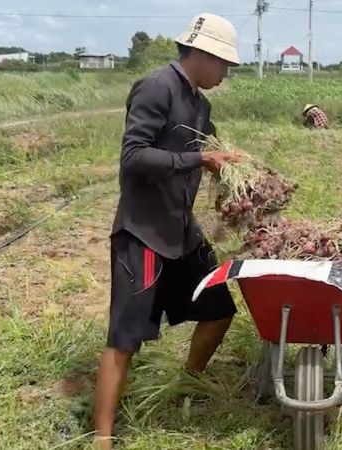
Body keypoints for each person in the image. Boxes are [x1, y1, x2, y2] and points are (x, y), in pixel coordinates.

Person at [91, 12, 242, 450]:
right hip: (142, 232)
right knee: (124, 338)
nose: (226, 72)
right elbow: (133, 156)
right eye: (224, 63)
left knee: (218, 310)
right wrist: (198, 161)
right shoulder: (157, 87)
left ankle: (187, 382)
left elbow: (208, 151)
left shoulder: (200, 103)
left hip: (180, 230)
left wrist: (232, 169)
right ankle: (101, 438)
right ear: (203, 53)